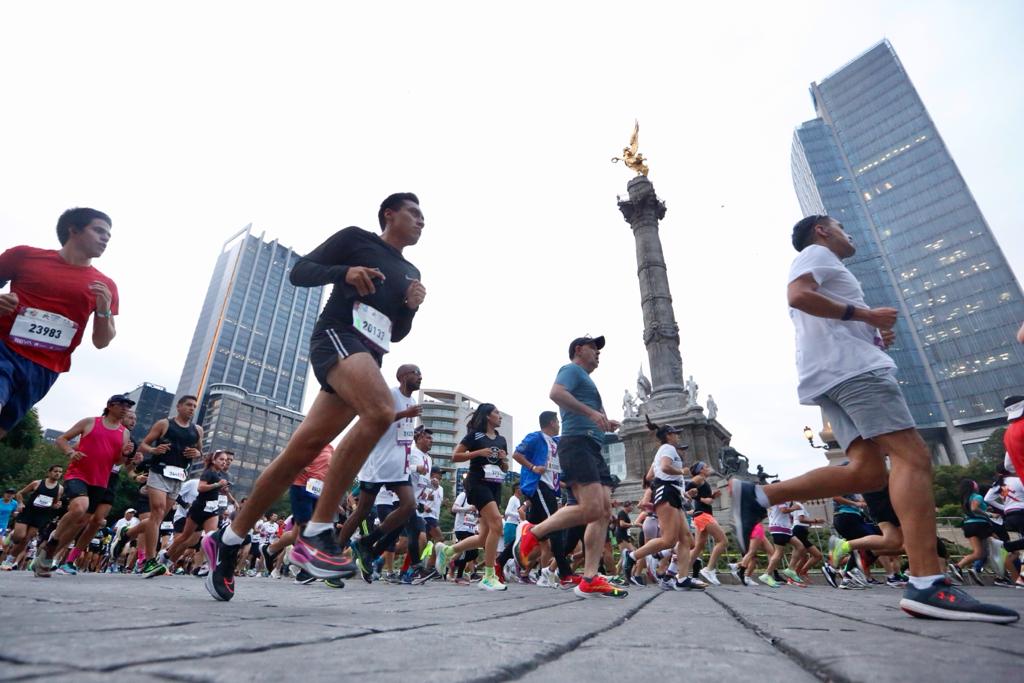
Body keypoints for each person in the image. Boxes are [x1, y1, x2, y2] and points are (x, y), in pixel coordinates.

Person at [730, 215, 1017, 623]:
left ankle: (758, 496)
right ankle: (927, 582)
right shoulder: (817, 254)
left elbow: (821, 314)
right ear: (822, 231)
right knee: (913, 458)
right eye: (840, 225)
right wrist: (865, 318)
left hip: (833, 372)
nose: (849, 232)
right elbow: (799, 296)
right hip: (854, 372)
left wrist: (873, 332)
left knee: (867, 473)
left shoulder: (825, 263)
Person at [202, 193, 426, 602]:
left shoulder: (410, 270)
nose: (421, 221)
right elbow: (301, 271)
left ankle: (229, 539)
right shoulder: (357, 239)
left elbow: (394, 333)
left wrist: (409, 309)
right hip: (336, 338)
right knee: (379, 410)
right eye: (414, 213)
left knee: (300, 453)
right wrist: (346, 271)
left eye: (423, 217)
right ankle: (320, 531)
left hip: (366, 358)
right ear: (389, 214)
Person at [517, 335, 626, 598]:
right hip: (577, 444)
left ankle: (589, 578)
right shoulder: (572, 370)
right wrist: (590, 414)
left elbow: (585, 410)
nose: (598, 353)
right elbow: (555, 393)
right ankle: (534, 531)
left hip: (592, 447)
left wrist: (604, 422)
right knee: (590, 509)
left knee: (602, 512)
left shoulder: (588, 380)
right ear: (579, 350)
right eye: (593, 348)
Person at [0, 208, 118, 440]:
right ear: (73, 229)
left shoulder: (105, 285)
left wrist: (104, 309)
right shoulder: (24, 256)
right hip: (5, 349)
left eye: (109, 235)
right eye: (99, 230)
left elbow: (101, 342)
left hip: (45, 369)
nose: (105, 238)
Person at [332, 364, 422, 583]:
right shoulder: (390, 394)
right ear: (402, 376)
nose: (420, 377)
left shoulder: (412, 402)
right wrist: (404, 414)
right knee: (362, 510)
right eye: (415, 373)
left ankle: (367, 543)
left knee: (409, 505)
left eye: (420, 373)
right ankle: (333, 555)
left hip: (398, 466)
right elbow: (375, 417)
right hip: (377, 463)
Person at [33, 395, 133, 577]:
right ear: (110, 406)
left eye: (128, 406)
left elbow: (117, 460)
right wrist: (71, 452)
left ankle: (47, 555)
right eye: (122, 405)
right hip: (77, 475)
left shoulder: (124, 433)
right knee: (80, 508)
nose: (126, 408)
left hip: (100, 481)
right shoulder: (90, 422)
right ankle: (53, 541)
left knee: (81, 521)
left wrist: (126, 455)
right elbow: (62, 439)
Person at [119, 395, 203, 578]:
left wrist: (196, 453)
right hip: (159, 472)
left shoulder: (197, 430)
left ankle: (127, 534)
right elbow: (144, 444)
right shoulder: (164, 424)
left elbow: (200, 451)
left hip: (178, 476)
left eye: (195, 406)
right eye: (188, 405)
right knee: (157, 512)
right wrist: (154, 450)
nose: (192, 408)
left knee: (156, 519)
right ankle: (149, 562)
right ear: (179, 406)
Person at [435, 403, 511, 591]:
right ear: (487, 416)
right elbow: (455, 456)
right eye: (496, 413)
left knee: (483, 537)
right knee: (497, 525)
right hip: (477, 483)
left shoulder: (501, 440)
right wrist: (478, 452)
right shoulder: (474, 436)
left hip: (494, 485)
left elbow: (505, 469)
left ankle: (448, 550)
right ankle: (488, 576)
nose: (499, 417)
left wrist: (503, 460)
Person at [621, 420, 704, 590]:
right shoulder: (668, 448)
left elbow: (650, 475)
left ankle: (681, 579)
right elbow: (665, 468)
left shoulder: (662, 451)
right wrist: (681, 471)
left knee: (687, 540)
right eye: (676, 433)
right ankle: (631, 556)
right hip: (666, 493)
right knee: (668, 540)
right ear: (668, 435)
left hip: (671, 493)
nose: (678, 436)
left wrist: (680, 489)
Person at [164, 451, 233, 569]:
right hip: (198, 509)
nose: (225, 462)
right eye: (221, 459)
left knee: (212, 536)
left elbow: (213, 490)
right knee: (184, 537)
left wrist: (223, 490)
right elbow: (201, 488)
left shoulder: (219, 475)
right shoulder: (207, 473)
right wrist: (217, 485)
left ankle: (211, 566)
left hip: (211, 509)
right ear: (213, 460)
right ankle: (165, 556)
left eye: (226, 460)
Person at [2, 466, 64, 570]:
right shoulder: (37, 483)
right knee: (19, 536)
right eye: (55, 471)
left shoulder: (60, 488)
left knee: (26, 540)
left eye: (60, 472)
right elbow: (19, 493)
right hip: (28, 513)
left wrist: (56, 506)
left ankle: (8, 561)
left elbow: (53, 503)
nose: (57, 473)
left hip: (40, 516)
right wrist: (20, 503)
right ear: (49, 472)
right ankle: (11, 542)